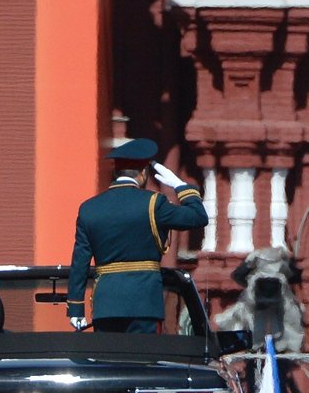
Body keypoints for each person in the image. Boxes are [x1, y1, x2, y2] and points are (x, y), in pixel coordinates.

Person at [68, 138, 208, 333]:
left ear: (117, 172)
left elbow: (80, 262)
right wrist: (181, 186)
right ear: (143, 173)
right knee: (143, 360)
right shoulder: (154, 203)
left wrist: (75, 307)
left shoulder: (89, 209)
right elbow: (198, 217)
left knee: (106, 361)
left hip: (106, 305)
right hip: (144, 303)